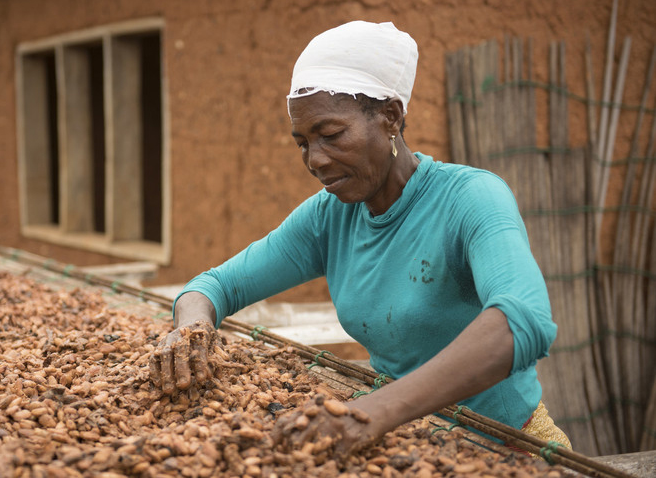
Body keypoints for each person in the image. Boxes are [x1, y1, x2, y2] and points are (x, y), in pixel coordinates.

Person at [149, 20, 571, 453]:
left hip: (503, 446)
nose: (316, 160)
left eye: (331, 135)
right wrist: (192, 329)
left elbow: (524, 321)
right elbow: (216, 285)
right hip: (405, 444)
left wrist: (371, 411)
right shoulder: (330, 217)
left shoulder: (470, 198)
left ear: (391, 116)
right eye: (302, 143)